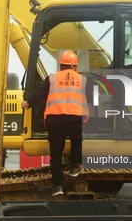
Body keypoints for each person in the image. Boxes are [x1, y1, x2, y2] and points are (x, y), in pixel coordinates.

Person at [21, 50, 89, 196]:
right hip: (74, 119)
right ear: (75, 66)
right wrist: (87, 113)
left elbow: (41, 94)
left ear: (61, 65)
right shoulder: (82, 79)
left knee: (56, 154)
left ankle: (57, 186)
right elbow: (85, 97)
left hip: (55, 120)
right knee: (77, 141)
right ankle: (75, 167)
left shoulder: (52, 78)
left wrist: (28, 102)